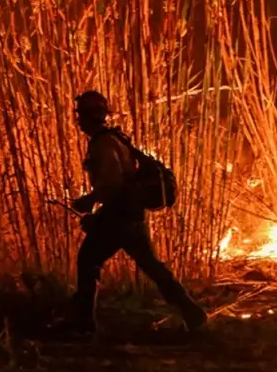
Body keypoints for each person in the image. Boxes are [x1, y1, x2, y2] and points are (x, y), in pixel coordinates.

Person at [63, 90, 208, 335]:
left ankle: (83, 323)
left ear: (89, 117)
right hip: (130, 214)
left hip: (119, 215)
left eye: (80, 115)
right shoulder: (115, 139)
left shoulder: (104, 144)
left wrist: (89, 202)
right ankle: (192, 312)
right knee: (151, 266)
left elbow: (113, 183)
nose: (78, 121)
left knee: (88, 260)